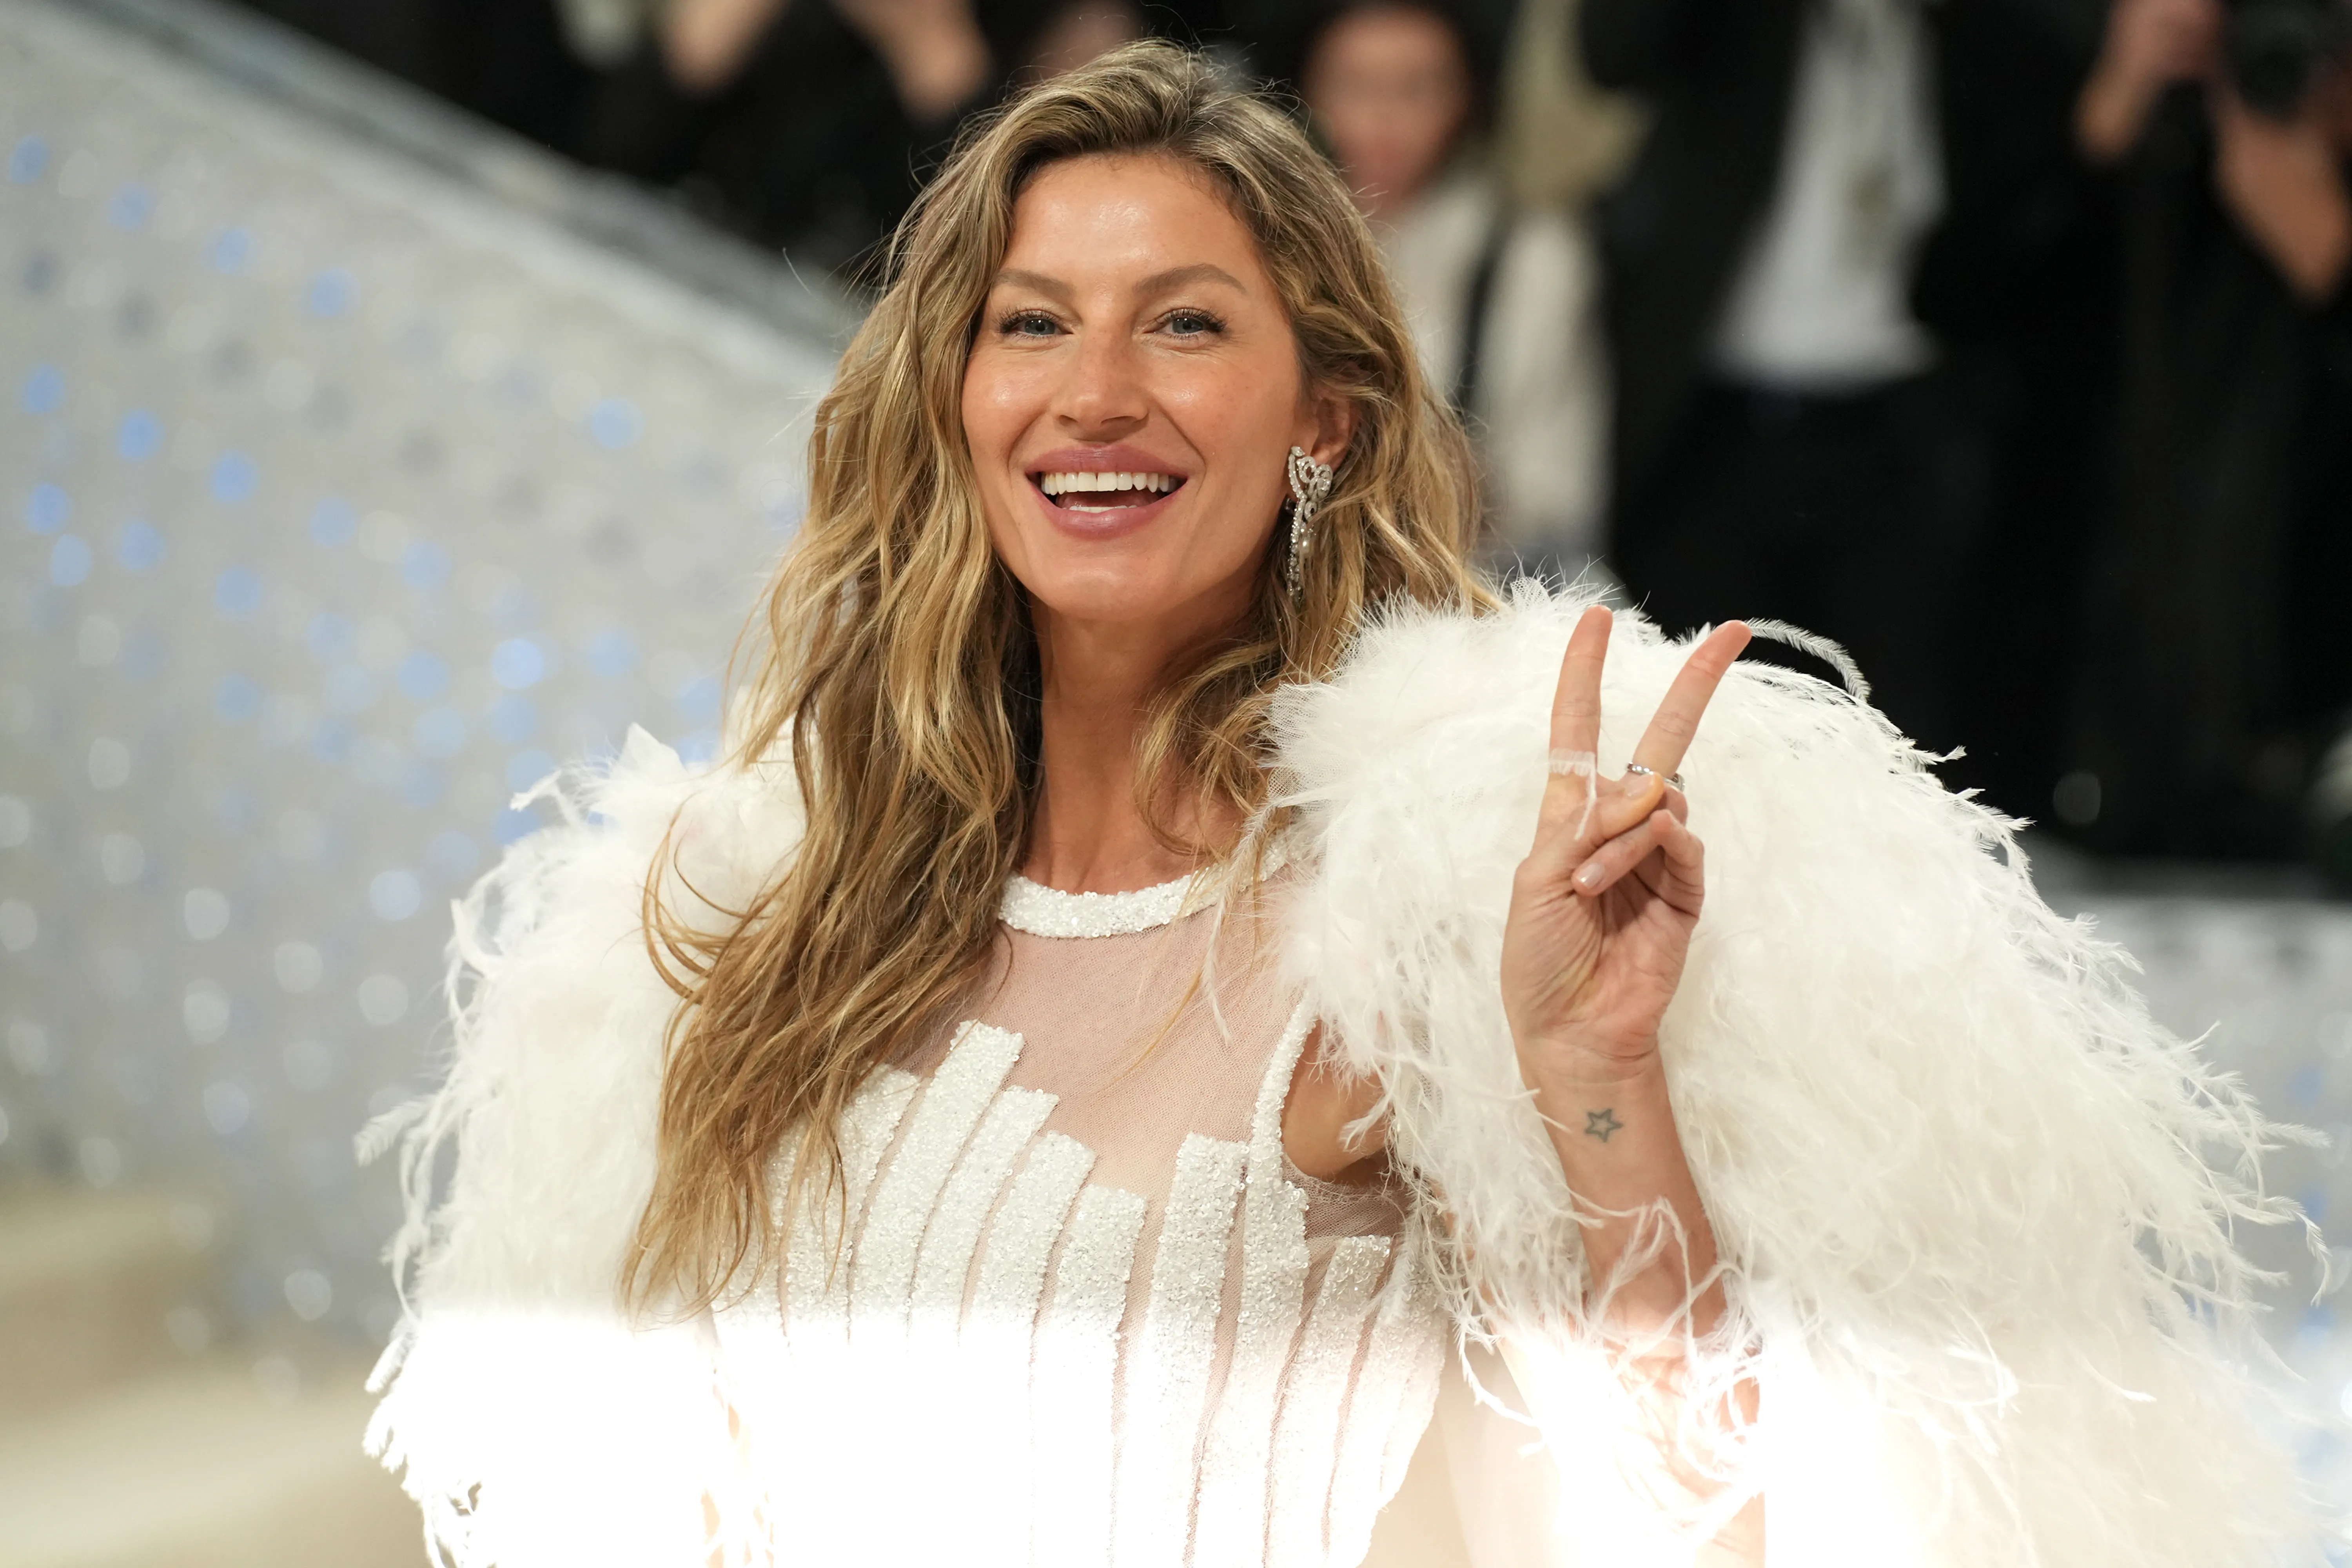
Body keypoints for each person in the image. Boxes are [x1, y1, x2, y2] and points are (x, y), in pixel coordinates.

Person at [365, 42, 2308, 1568]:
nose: (1095, 391)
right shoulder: (788, 908)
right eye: (1031, 321)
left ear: (1324, 420)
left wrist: (1590, 1077)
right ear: (952, 399)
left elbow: (1703, 1509)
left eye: (1186, 323)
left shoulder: (1409, 936)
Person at [1577, 0, 2111, 769]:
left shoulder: (1967, 30)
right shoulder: (1751, 28)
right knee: (1705, 732)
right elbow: (1611, 51)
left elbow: (2052, 107)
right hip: (1717, 416)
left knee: (1913, 743)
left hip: (1911, 416)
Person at [2059, 0, 2352, 858]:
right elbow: (1993, 307)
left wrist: (2330, 251)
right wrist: (2110, 111)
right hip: (2159, 715)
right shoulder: (2172, 151)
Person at [1287, 0, 1611, 574]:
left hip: (1472, 584)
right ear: (1309, 93)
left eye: (1417, 89)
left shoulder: (1529, 255)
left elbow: (1561, 498)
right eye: (1355, 85)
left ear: (1466, 96)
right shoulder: (1279, 244)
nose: (1385, 118)